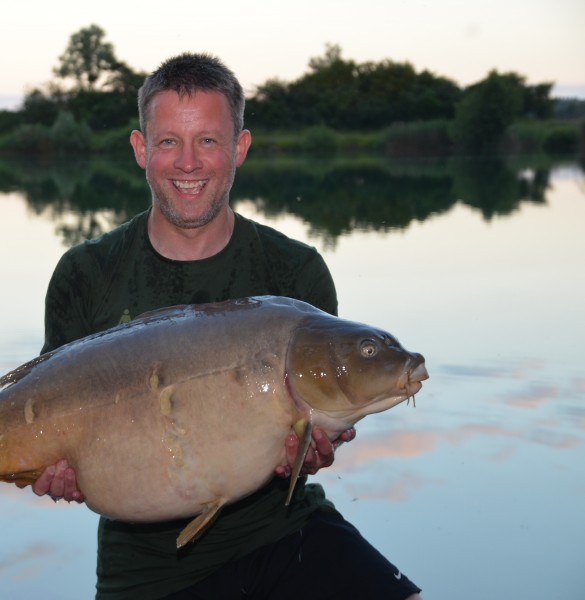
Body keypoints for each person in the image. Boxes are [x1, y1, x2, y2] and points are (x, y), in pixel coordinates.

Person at [25, 53, 422, 600]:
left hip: (285, 532)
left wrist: (314, 451)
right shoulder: (86, 273)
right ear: (141, 149)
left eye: (208, 141)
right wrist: (50, 468)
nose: (188, 163)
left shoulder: (295, 270)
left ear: (240, 147)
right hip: (146, 567)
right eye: (168, 142)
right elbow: (51, 416)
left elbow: (315, 432)